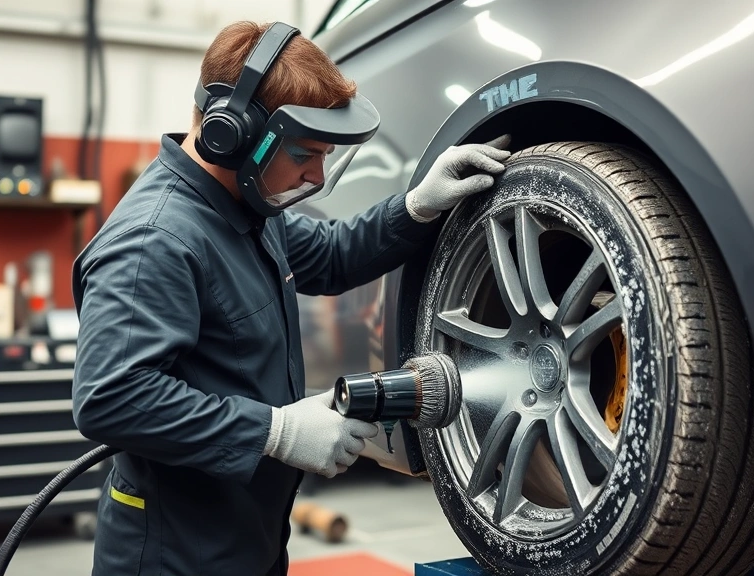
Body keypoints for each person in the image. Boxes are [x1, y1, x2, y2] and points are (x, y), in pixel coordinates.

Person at [70, 20, 510, 576]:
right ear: (234, 133)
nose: (318, 175)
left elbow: (329, 255)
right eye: (306, 154)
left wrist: (416, 207)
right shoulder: (154, 240)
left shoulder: (248, 210)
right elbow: (113, 398)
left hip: (247, 534)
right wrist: (277, 432)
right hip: (174, 551)